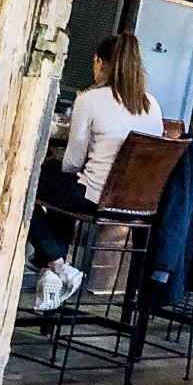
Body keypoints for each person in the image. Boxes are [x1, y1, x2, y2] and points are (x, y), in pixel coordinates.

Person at [29, 32, 162, 313]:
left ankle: (56, 265)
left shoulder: (90, 99)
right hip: (138, 206)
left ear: (100, 63)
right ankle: (51, 273)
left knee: (21, 184)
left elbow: (72, 162)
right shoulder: (152, 105)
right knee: (60, 190)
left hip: (95, 199)